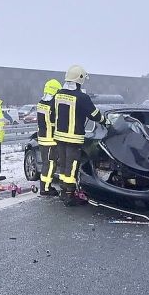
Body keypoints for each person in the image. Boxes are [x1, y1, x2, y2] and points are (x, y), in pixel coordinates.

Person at [54, 65, 107, 204]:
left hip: (59, 137)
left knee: (64, 165)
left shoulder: (58, 94)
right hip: (73, 138)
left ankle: (63, 192)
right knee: (71, 167)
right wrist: (105, 121)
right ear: (80, 80)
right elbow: (94, 114)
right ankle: (70, 196)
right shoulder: (82, 97)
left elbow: (54, 113)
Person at [36, 79, 62, 195]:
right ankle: (45, 188)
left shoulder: (41, 102)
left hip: (42, 138)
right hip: (50, 139)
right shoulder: (53, 105)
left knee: (46, 163)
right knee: (51, 163)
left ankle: (44, 186)